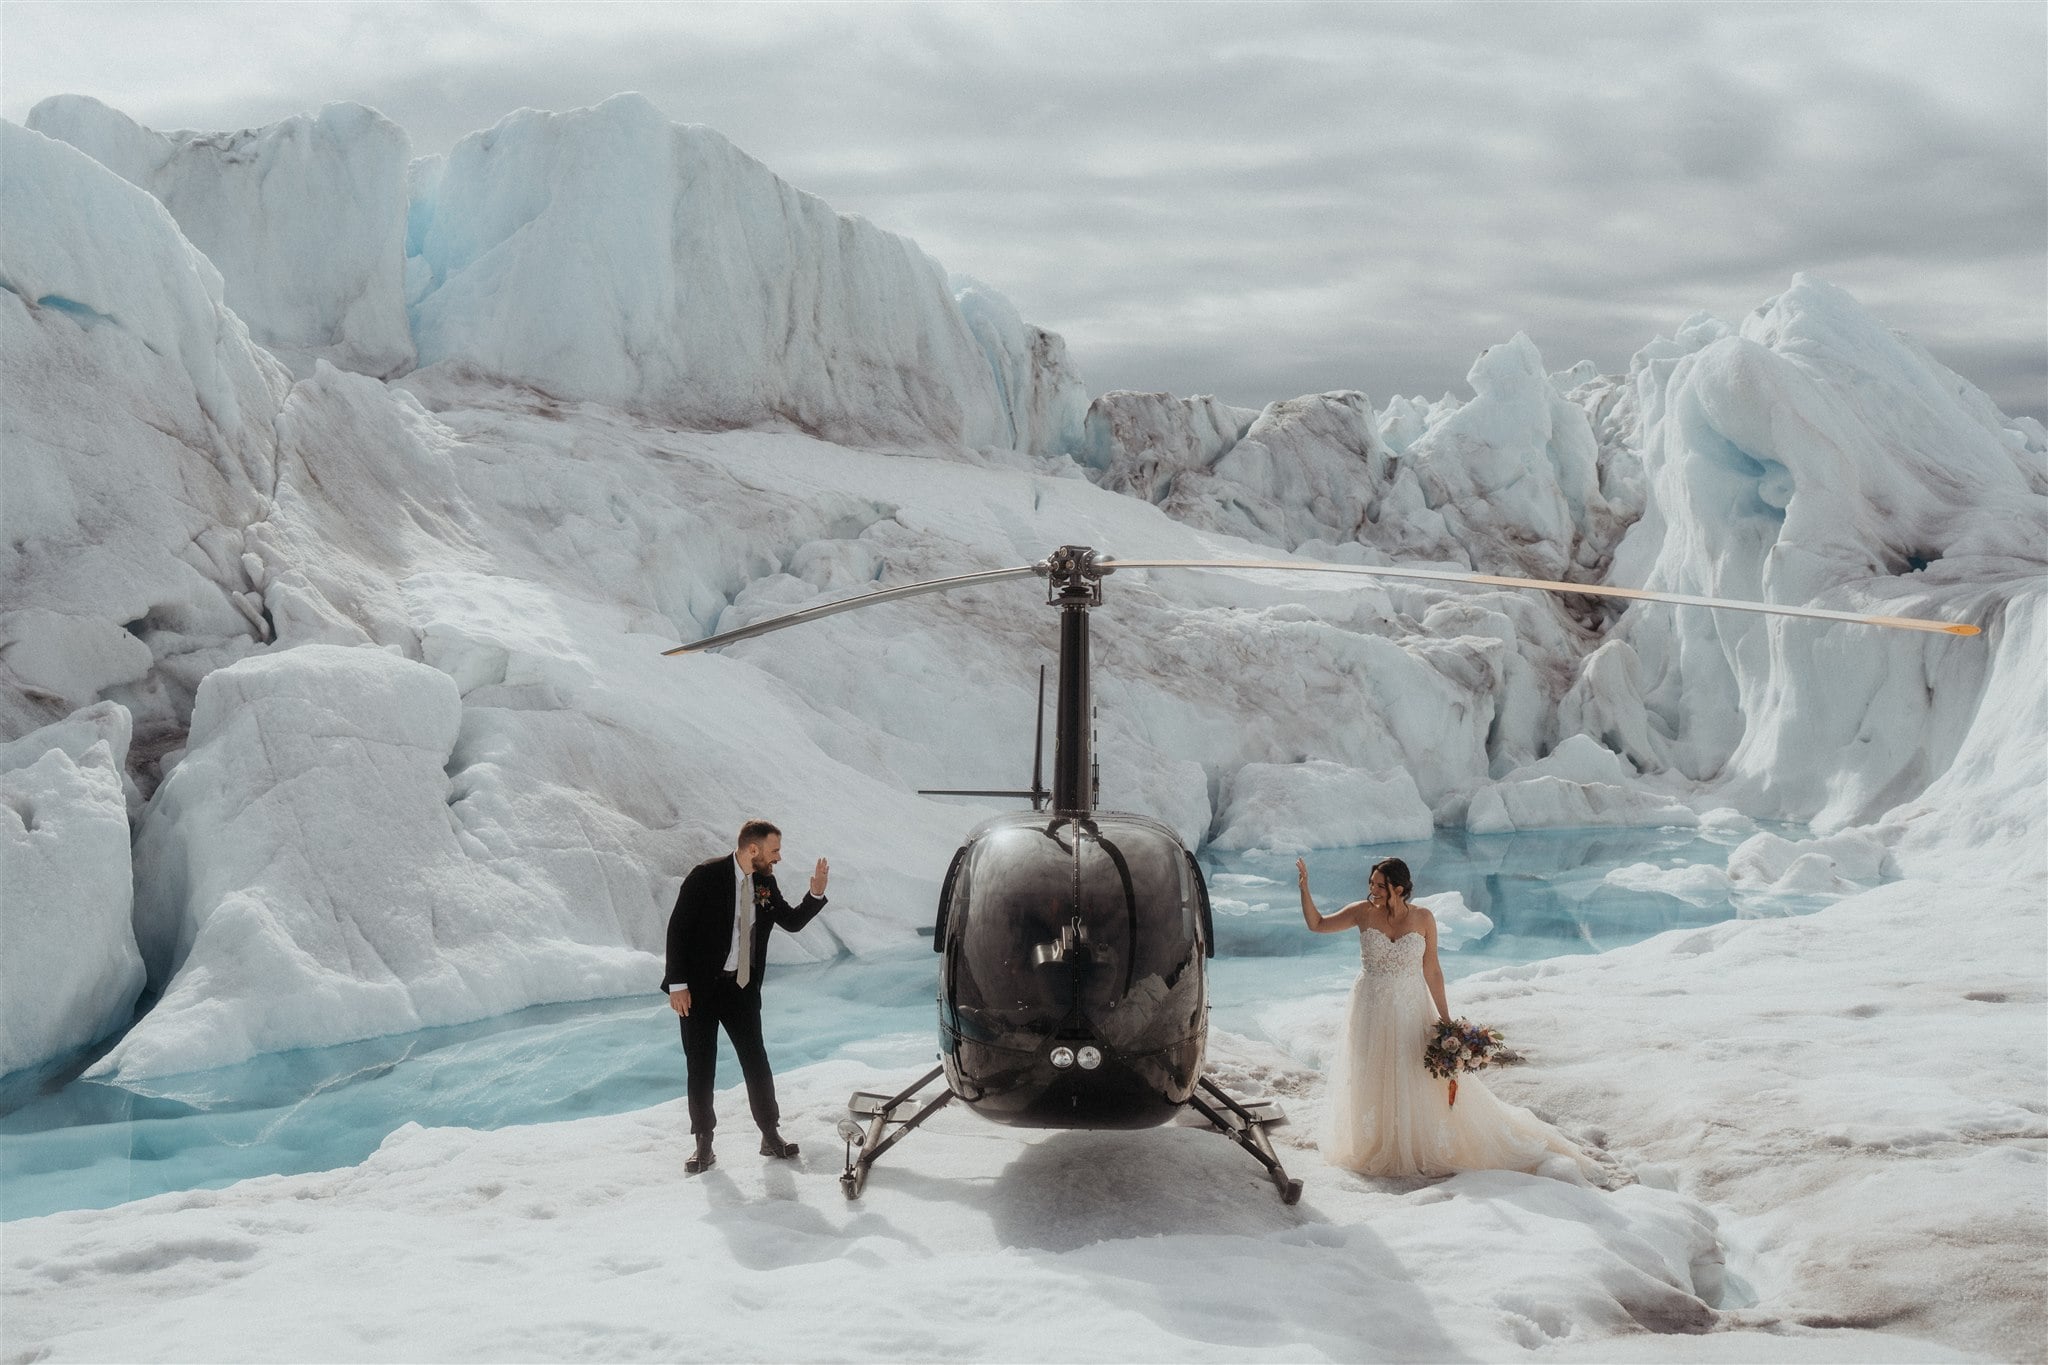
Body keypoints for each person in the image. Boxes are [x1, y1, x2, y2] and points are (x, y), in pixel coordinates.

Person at [1297, 855, 1601, 1181]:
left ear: (1399, 888)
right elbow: (1317, 924)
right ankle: (1379, 1143)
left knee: (1414, 1072)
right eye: (1371, 883)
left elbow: (1432, 969)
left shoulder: (1423, 918)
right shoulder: (1361, 912)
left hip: (1411, 1006)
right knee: (1373, 1071)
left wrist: (1446, 1022)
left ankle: (1415, 1143)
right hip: (1370, 1005)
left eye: (1380, 885)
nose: (1373, 890)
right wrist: (1305, 887)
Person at [665, 819, 830, 1174]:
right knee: (700, 1065)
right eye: (774, 851)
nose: (779, 858)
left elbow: (790, 921)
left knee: (756, 1060)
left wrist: (815, 894)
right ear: (752, 849)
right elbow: (678, 928)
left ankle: (770, 1134)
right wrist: (677, 984)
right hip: (698, 990)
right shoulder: (704, 876)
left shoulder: (765, 882)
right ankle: (704, 1143)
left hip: (741, 988)